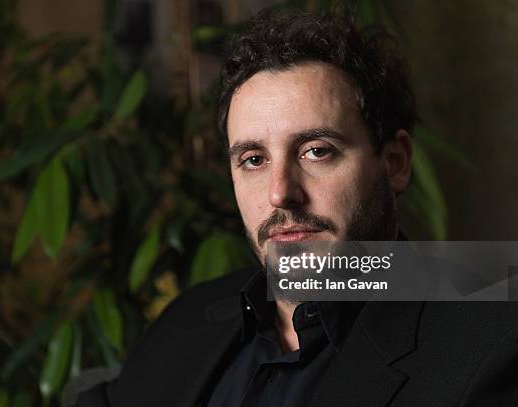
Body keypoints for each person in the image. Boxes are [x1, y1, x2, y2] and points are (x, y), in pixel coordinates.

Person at [73, 8, 518, 407]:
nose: (280, 193)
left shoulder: (489, 347)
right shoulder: (190, 319)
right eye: (253, 160)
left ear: (395, 163)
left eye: (316, 151)